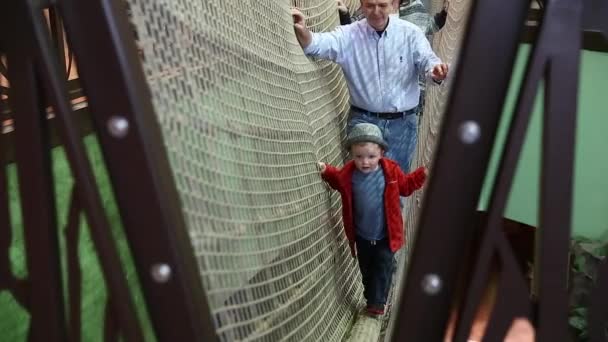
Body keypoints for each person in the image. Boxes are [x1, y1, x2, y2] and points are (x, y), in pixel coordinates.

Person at [292, 0, 448, 175]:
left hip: (403, 125)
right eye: (369, 5)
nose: (375, 11)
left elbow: (428, 61)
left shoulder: (410, 34)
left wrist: (436, 71)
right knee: (362, 185)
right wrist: (303, 31)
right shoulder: (349, 35)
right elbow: (316, 44)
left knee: (395, 184)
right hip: (364, 122)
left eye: (382, 5)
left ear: (393, 4)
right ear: (361, 4)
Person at [317, 123, 427, 316]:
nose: (365, 162)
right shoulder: (349, 174)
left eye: (371, 157)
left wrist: (421, 175)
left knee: (383, 266)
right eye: (359, 156)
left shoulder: (390, 172)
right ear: (351, 153)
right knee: (367, 270)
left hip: (386, 235)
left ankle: (377, 303)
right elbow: (337, 180)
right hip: (362, 236)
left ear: (382, 153)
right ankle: (371, 298)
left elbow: (407, 186)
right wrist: (326, 171)